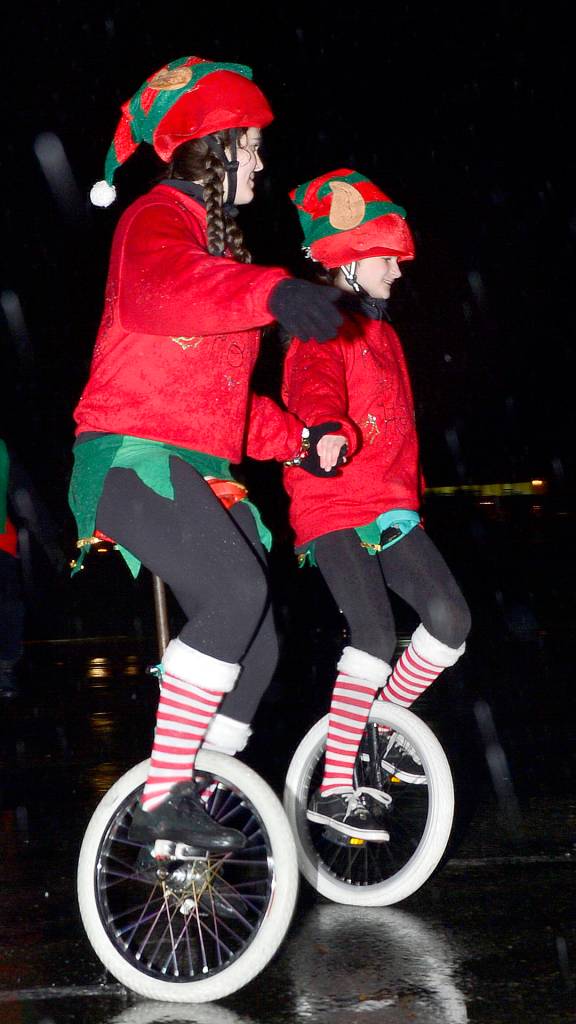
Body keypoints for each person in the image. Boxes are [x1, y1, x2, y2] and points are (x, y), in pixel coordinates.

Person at [69, 57, 343, 852]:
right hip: (130, 459)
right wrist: (269, 292)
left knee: (257, 645)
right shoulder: (153, 221)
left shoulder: (215, 260)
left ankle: (187, 809)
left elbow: (222, 412)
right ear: (216, 151)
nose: (260, 162)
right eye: (251, 147)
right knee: (234, 591)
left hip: (196, 470)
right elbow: (163, 289)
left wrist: (301, 438)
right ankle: (164, 793)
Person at [282, 169, 471, 841]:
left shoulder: (383, 333)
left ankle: (385, 729)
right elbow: (312, 388)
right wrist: (325, 428)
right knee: (370, 634)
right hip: (333, 500)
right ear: (352, 258)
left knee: (449, 619)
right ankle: (333, 788)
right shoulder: (322, 323)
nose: (397, 268)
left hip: (389, 505)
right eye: (387, 255)